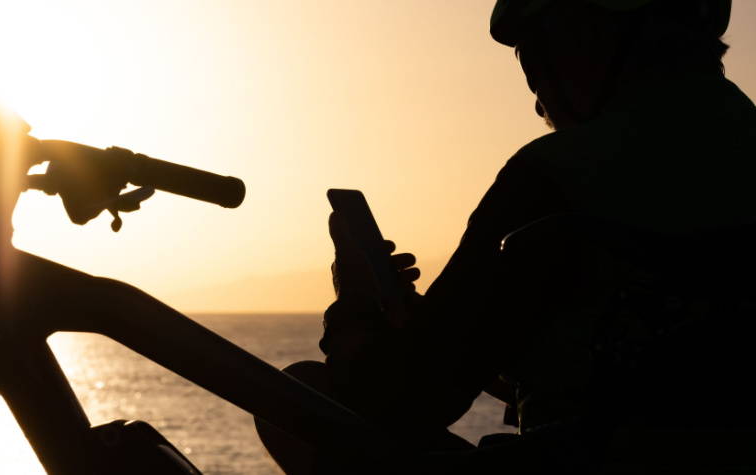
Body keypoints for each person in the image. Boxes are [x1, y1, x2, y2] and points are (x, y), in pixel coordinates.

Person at [317, 0, 756, 472]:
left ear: (588, 37)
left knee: (312, 403)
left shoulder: (557, 175)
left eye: (535, 63)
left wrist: (357, 301)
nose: (537, 102)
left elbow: (400, 404)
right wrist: (452, 323)